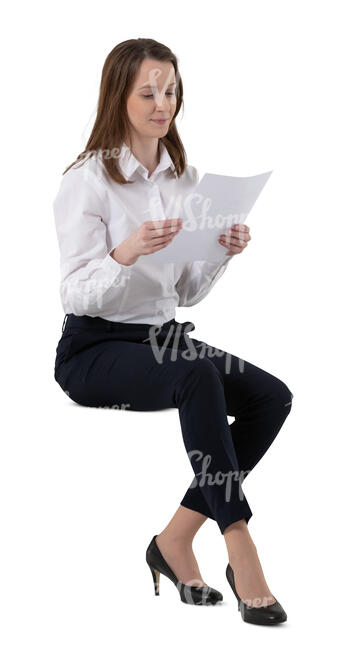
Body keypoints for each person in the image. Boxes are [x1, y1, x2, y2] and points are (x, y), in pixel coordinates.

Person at [53, 38, 293, 625]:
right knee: (196, 373)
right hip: (93, 348)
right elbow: (74, 293)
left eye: (172, 90)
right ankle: (239, 539)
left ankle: (176, 537)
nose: (164, 103)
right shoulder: (87, 180)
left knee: (271, 396)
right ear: (119, 95)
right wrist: (126, 252)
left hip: (164, 340)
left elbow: (183, 292)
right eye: (149, 92)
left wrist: (221, 252)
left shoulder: (181, 176)